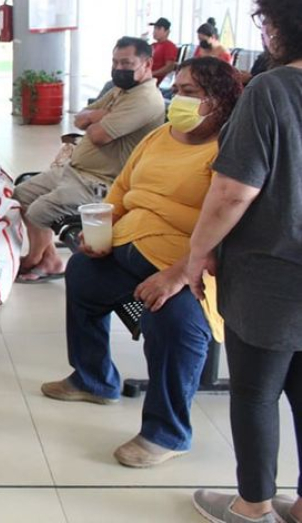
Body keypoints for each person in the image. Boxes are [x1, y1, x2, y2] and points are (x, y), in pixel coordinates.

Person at [41, 57, 242, 469]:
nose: (177, 100)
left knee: (173, 320)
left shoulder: (231, 151)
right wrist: (100, 230)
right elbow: (122, 188)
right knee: (82, 272)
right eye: (177, 90)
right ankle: (94, 379)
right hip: (128, 247)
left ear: (220, 102)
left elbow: (230, 227)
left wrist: (178, 273)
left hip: (188, 268)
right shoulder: (161, 137)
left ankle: (166, 433)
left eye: (190, 93)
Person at [187, 0, 302, 523]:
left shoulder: (272, 91)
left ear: (279, 19)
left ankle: (252, 505)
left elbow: (233, 192)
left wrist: (196, 253)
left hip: (271, 276)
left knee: (256, 393)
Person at [13, 37, 165, 281]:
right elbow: (79, 119)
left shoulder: (145, 99)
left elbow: (98, 135)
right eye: (115, 62)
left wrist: (97, 118)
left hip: (101, 183)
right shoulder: (121, 91)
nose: (119, 69)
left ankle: (32, 259)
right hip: (75, 171)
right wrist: (103, 114)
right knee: (21, 194)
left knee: (39, 210)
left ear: (147, 64)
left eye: (126, 63)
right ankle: (49, 258)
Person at [148, 17, 179, 83]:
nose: (155, 31)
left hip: (158, 81)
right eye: (155, 28)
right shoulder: (153, 45)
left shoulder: (169, 46)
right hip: (147, 79)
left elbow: (169, 68)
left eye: (159, 29)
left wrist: (152, 74)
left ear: (167, 31)